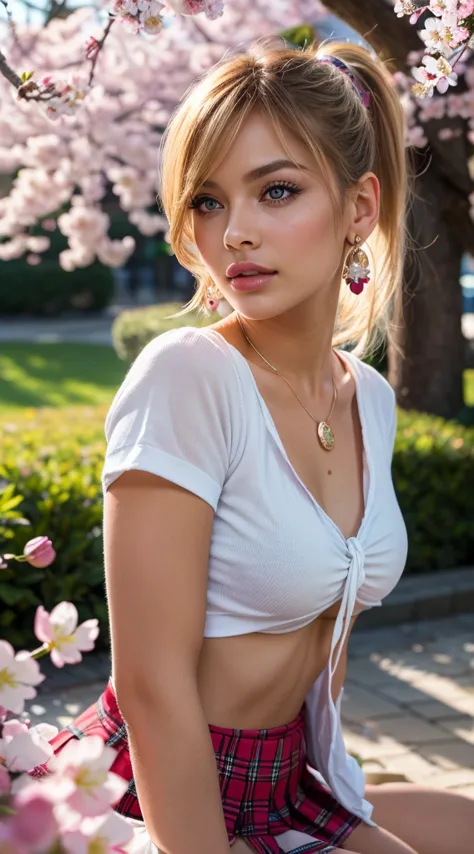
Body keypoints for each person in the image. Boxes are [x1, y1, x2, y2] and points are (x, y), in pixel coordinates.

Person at [30, 36, 474, 854]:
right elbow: (152, 687)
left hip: (288, 782)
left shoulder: (369, 398)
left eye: (276, 190)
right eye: (207, 200)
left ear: (360, 209)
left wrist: (340, 808)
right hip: (156, 788)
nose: (234, 232)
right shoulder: (190, 377)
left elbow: (325, 648)